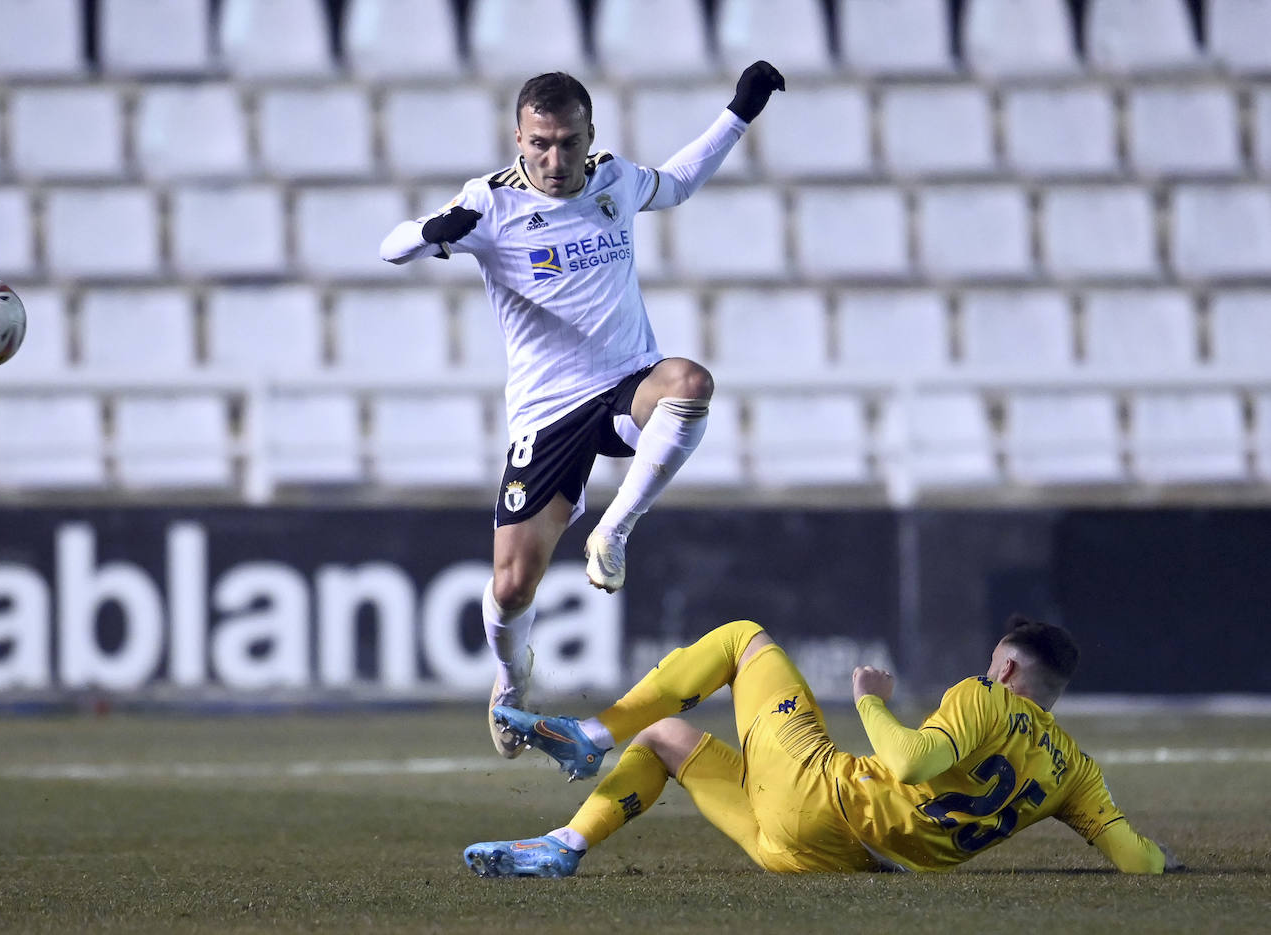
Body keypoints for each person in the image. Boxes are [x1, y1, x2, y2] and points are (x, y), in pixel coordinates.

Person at [379, 63, 785, 758]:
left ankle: (614, 532)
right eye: (540, 143)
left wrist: (740, 111)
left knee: (690, 381)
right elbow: (389, 248)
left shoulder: (613, 180)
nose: (555, 158)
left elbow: (680, 180)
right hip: (548, 413)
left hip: (627, 382)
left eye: (568, 141)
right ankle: (510, 677)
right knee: (511, 587)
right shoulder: (491, 204)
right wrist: (430, 230)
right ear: (518, 138)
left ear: (590, 134)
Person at [464, 614, 1184, 876]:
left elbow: (908, 761)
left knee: (743, 637)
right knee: (662, 738)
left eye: (992, 662)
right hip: (827, 861)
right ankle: (564, 844)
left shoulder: (985, 696)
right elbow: (1134, 858)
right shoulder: (1075, 770)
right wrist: (1164, 862)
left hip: (821, 797)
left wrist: (869, 695)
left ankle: (589, 737)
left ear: (1007, 669)